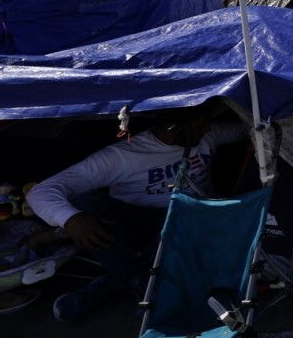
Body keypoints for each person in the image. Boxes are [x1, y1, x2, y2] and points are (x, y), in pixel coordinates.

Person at [26, 99, 249, 321]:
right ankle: (141, 283)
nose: (208, 128)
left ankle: (123, 281)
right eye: (201, 123)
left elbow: (252, 128)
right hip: (142, 222)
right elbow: (41, 192)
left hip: (196, 217)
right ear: (174, 126)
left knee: (184, 220)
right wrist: (70, 218)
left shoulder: (208, 135)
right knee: (86, 204)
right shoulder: (124, 156)